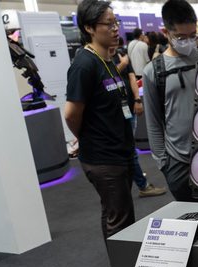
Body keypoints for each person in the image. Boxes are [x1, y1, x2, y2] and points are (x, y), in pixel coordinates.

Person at [64, 0, 135, 239]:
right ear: (89, 28)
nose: (115, 29)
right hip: (103, 157)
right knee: (120, 221)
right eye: (108, 24)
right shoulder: (84, 65)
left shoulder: (106, 60)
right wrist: (86, 136)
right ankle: (121, 262)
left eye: (116, 23)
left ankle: (121, 259)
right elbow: (71, 114)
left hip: (120, 151)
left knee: (118, 213)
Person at [142, 0, 198, 202]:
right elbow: (153, 122)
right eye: (181, 37)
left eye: (192, 35)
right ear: (166, 32)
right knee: (189, 216)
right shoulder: (153, 71)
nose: (188, 41)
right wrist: (163, 163)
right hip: (177, 161)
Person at [111, 39, 167, 198]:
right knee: (127, 151)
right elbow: (105, 81)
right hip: (113, 115)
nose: (114, 31)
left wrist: (137, 100)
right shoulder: (99, 61)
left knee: (129, 149)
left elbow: (131, 78)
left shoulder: (120, 54)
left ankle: (139, 185)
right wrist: (121, 65)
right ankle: (141, 185)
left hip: (128, 109)